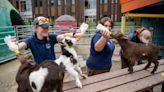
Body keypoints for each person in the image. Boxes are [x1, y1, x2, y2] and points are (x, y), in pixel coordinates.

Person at [4, 16, 83, 64]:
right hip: (40, 71)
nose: (46, 29)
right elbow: (20, 46)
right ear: (35, 28)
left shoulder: (50, 37)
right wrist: (14, 45)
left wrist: (73, 34)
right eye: (43, 27)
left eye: (47, 27)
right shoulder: (31, 40)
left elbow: (63, 35)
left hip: (53, 68)